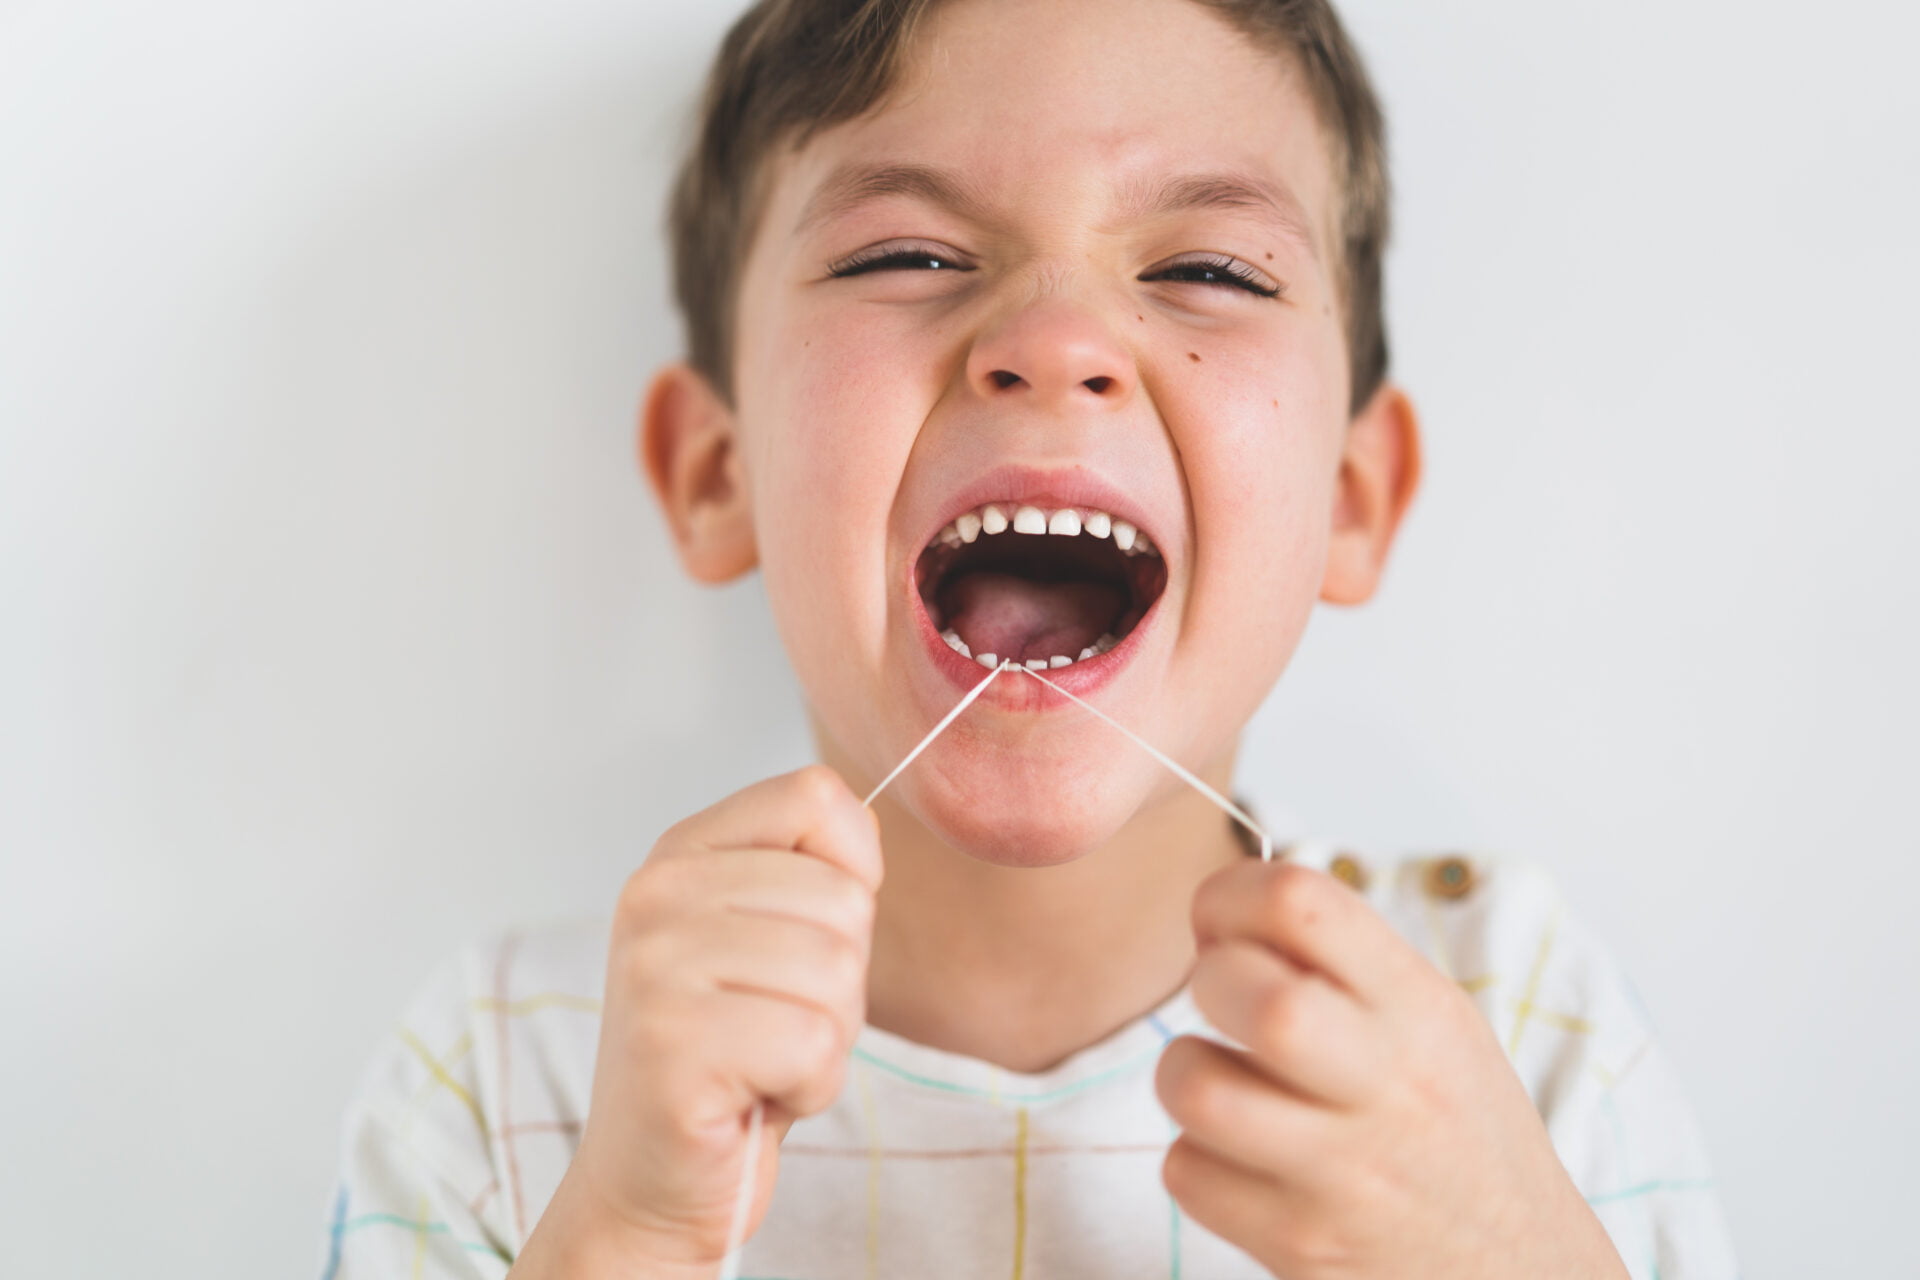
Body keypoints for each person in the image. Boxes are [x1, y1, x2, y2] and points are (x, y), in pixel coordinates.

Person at [320, 0, 1741, 1275]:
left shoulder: (1509, 1024)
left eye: (1211, 272)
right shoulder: (516, 1073)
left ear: (1351, 501)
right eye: (908, 251)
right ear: (717, 473)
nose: (1055, 339)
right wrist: (623, 1238)